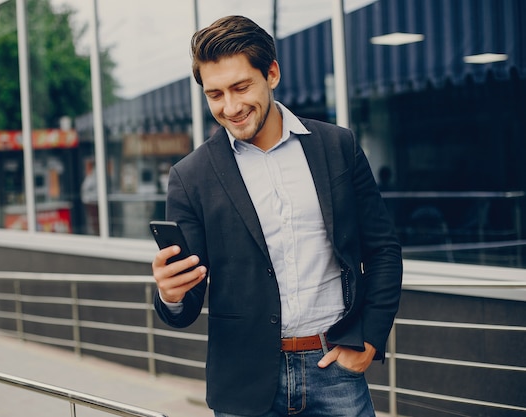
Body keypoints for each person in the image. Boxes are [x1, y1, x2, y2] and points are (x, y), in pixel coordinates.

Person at [152, 15, 402, 417]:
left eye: (240, 87)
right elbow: (187, 298)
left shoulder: (338, 146)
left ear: (272, 73)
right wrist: (171, 293)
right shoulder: (190, 177)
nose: (230, 107)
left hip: (335, 371)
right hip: (244, 387)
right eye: (215, 94)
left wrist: (370, 338)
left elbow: (383, 249)